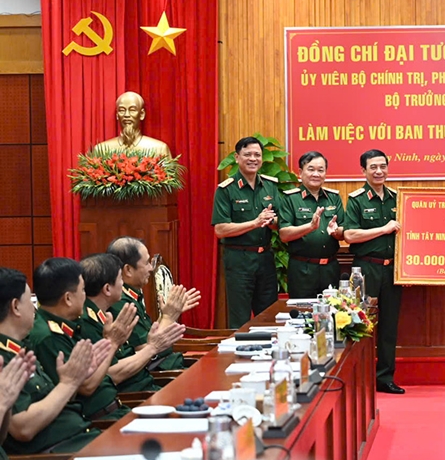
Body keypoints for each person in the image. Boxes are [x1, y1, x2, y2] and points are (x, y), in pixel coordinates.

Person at [0, 267, 108, 457]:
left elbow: (54, 401)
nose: (34, 308)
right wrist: (69, 383)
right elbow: (22, 428)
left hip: (79, 438)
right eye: (29, 301)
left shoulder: (20, 349)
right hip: (58, 454)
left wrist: (74, 378)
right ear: (16, 307)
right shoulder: (4, 358)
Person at [29, 258, 131, 422]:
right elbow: (87, 386)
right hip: (99, 421)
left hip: (114, 411)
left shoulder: (68, 324)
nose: (85, 297)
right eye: (82, 290)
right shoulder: (48, 336)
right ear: (68, 298)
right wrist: (112, 343)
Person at [79, 253, 185, 392]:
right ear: (107, 289)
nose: (123, 284)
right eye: (120, 279)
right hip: (136, 395)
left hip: (146, 384)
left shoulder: (102, 315)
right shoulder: (88, 322)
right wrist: (153, 345)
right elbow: (111, 374)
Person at [344, 149, 404, 395]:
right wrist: (383, 229)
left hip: (392, 270)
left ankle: (385, 378)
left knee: (389, 326)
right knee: (360, 323)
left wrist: (408, 269)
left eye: (383, 166)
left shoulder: (397, 198)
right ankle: (359, 377)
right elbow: (350, 235)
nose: (379, 171)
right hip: (366, 268)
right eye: (373, 167)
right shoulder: (357, 200)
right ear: (363, 171)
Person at [212, 136, 281, 328]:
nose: (253, 159)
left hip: (265, 258)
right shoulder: (226, 189)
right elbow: (220, 229)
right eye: (247, 154)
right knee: (240, 318)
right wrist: (255, 223)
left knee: (268, 316)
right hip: (239, 260)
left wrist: (271, 221)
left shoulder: (270, 186)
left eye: (257, 155)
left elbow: (280, 221)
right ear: (237, 157)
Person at [107, 237, 197, 369]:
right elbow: (146, 350)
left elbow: (150, 336)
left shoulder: (132, 295)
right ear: (128, 270)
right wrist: (168, 317)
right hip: (158, 371)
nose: (151, 268)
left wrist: (167, 314)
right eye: (147, 263)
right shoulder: (122, 302)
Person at [279, 151, 346, 298]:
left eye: (320, 170)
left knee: (333, 309)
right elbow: (284, 234)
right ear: (300, 172)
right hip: (302, 269)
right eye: (311, 169)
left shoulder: (334, 198)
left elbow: (344, 231)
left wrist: (336, 232)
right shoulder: (290, 199)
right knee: (302, 311)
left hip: (330, 268)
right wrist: (310, 227)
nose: (316, 174)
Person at [94, 91, 171, 156]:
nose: (127, 115)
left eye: (132, 110)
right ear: (117, 115)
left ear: (142, 114)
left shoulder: (159, 149)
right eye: (122, 110)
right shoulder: (101, 150)